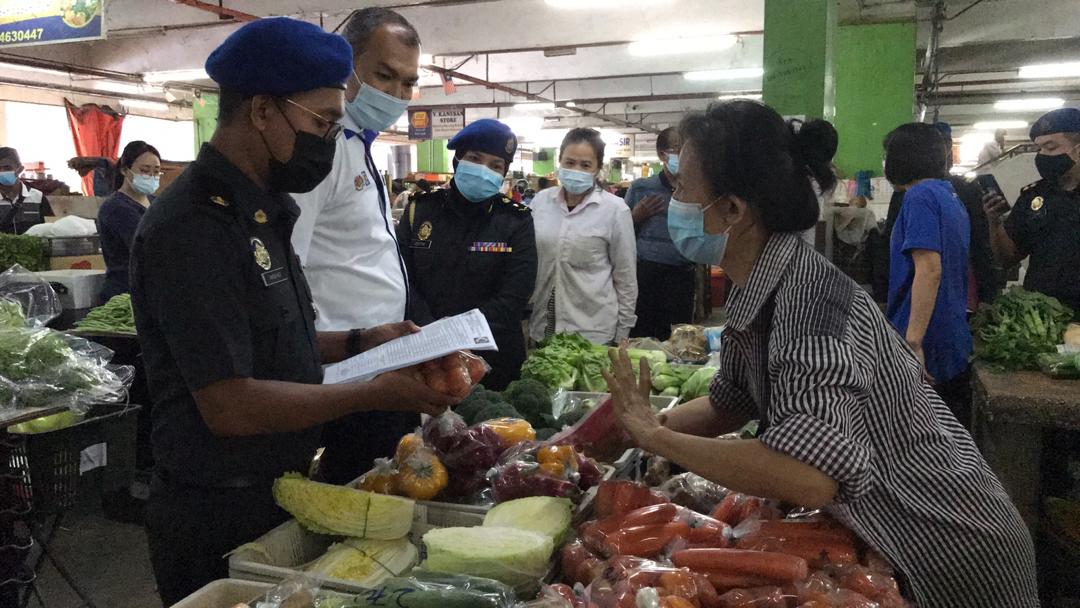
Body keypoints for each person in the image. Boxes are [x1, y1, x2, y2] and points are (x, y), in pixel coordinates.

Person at [602, 100, 1039, 607]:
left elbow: (808, 475)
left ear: (732, 210)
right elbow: (729, 403)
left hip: (948, 547)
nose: (673, 199)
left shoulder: (810, 305)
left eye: (682, 188)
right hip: (896, 532)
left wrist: (657, 437)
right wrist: (630, 432)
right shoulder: (758, 284)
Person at [128, 19, 456, 605]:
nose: (328, 139)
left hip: (277, 488)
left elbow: (278, 339)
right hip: (215, 507)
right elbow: (229, 404)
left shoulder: (267, 210)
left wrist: (363, 339)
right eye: (322, 122)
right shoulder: (195, 228)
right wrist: (370, 393)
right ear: (262, 110)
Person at [290, 7, 422, 486]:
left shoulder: (358, 145)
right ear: (347, 67)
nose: (397, 94)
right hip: (339, 369)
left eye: (409, 82)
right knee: (348, 492)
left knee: (380, 486)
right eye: (384, 76)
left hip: (377, 362)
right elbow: (289, 263)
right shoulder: (320, 151)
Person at [398, 120, 536, 390]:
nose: (484, 170)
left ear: (504, 173)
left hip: (493, 357)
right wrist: (433, 332)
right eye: (475, 158)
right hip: (425, 351)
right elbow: (402, 279)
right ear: (457, 160)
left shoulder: (515, 221)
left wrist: (454, 335)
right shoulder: (420, 212)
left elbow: (514, 295)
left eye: (496, 165)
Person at [883, 123, 973, 426]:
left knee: (920, 433)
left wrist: (913, 342)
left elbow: (930, 269)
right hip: (949, 330)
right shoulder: (948, 195)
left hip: (926, 336)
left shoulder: (919, 196)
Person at [528, 128, 637, 344]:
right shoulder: (541, 202)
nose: (576, 170)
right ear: (559, 162)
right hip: (544, 326)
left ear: (597, 169)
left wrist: (623, 332)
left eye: (585, 165)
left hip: (593, 332)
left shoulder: (615, 210)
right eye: (569, 162)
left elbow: (626, 277)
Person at [984, 107, 1080, 314]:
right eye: (1039, 148)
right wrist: (995, 223)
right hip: (1044, 315)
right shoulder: (1033, 196)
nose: (1042, 155)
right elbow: (1007, 258)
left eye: (1050, 147)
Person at [625, 127, 695, 340]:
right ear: (662, 154)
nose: (682, 155)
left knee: (678, 337)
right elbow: (619, 233)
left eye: (686, 150)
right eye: (677, 149)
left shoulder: (696, 189)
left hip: (681, 274)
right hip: (645, 273)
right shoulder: (640, 188)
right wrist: (635, 216)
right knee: (641, 335)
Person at [97, 141, 161, 303]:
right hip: (125, 292)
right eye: (145, 170)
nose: (151, 176)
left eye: (156, 172)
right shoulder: (116, 208)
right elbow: (147, 249)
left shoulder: (156, 203)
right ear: (125, 170)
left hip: (150, 290)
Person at [0, 147, 52, 234]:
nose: (2, 172)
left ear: (20, 169)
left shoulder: (38, 197)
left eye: (7, 168)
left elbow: (50, 230)